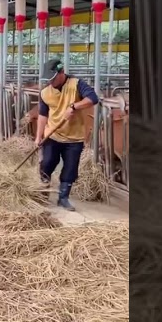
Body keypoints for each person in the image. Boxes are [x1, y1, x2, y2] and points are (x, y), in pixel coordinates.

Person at [35, 57, 100, 211]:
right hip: (52, 134)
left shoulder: (77, 84)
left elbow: (93, 98)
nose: (51, 82)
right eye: (48, 79)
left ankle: (63, 198)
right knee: (47, 162)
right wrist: (38, 137)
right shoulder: (45, 93)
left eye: (53, 78)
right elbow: (43, 115)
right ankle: (43, 191)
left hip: (74, 137)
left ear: (61, 72)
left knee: (70, 168)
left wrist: (74, 106)